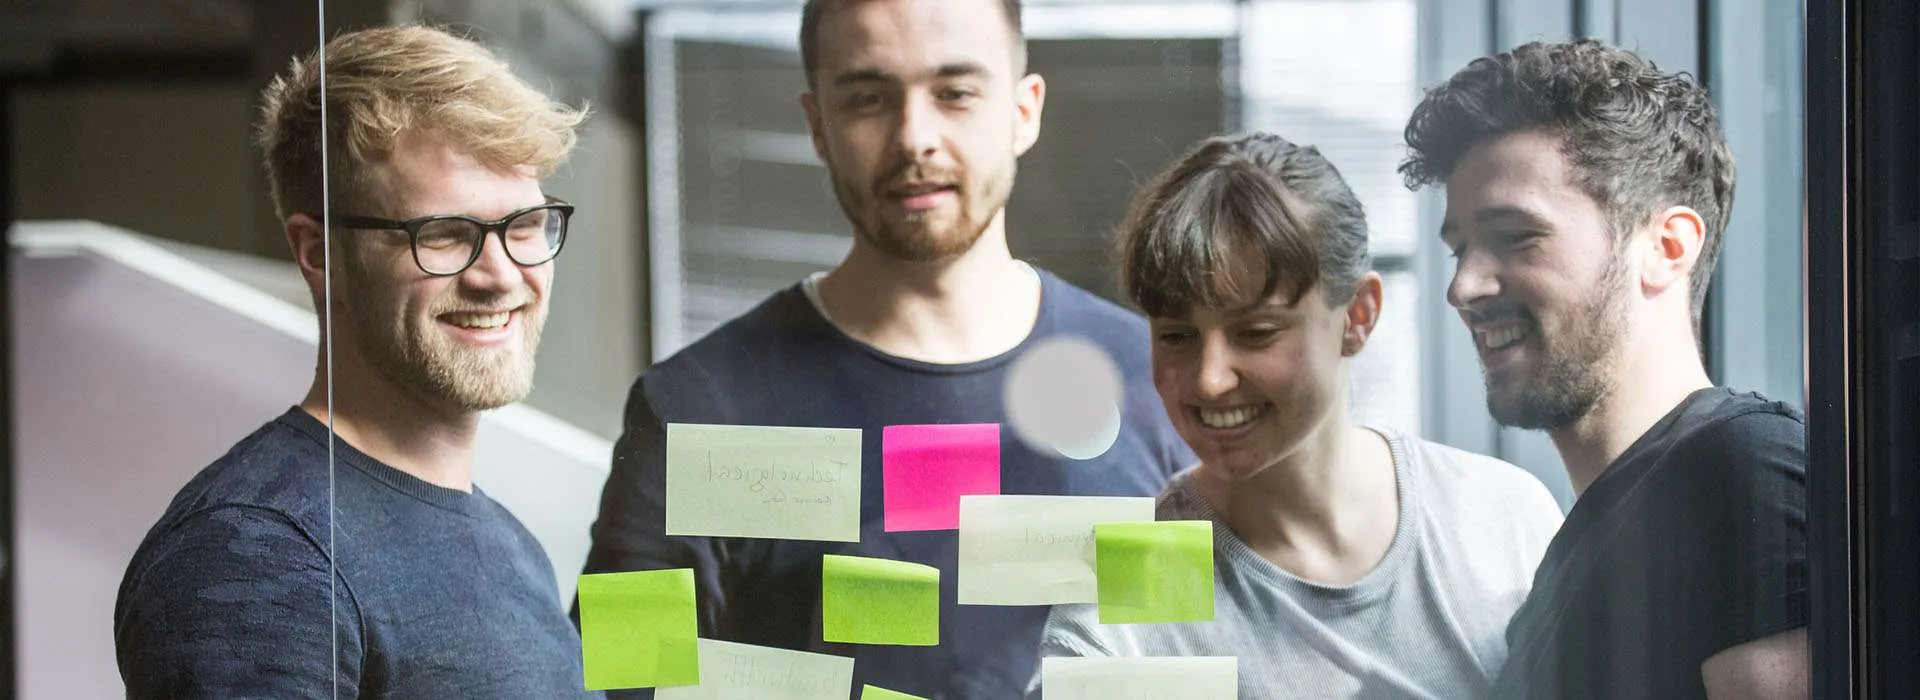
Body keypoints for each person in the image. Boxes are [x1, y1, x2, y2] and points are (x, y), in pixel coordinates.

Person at [577, 0, 1194, 697]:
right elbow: (618, 684)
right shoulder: (700, 410)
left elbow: (1191, 660)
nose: (914, 138)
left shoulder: (1160, 384)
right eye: (869, 99)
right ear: (818, 126)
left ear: (1025, 110)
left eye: (955, 93)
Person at [113, 25, 599, 698]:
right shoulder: (260, 553)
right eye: (446, 234)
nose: (500, 275)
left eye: (523, 228)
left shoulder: (508, 543)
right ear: (318, 254)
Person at [1026, 131, 1565, 698]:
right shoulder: (1123, 590)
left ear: (1357, 316)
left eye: (1256, 333)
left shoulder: (1500, 518)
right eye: (1178, 336)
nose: (1210, 379)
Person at [1400, 38, 1810, 699]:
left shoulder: (1745, 471)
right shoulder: (1572, 559)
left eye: (1515, 236)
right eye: (1460, 250)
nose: (1465, 286)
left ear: (1666, 247)